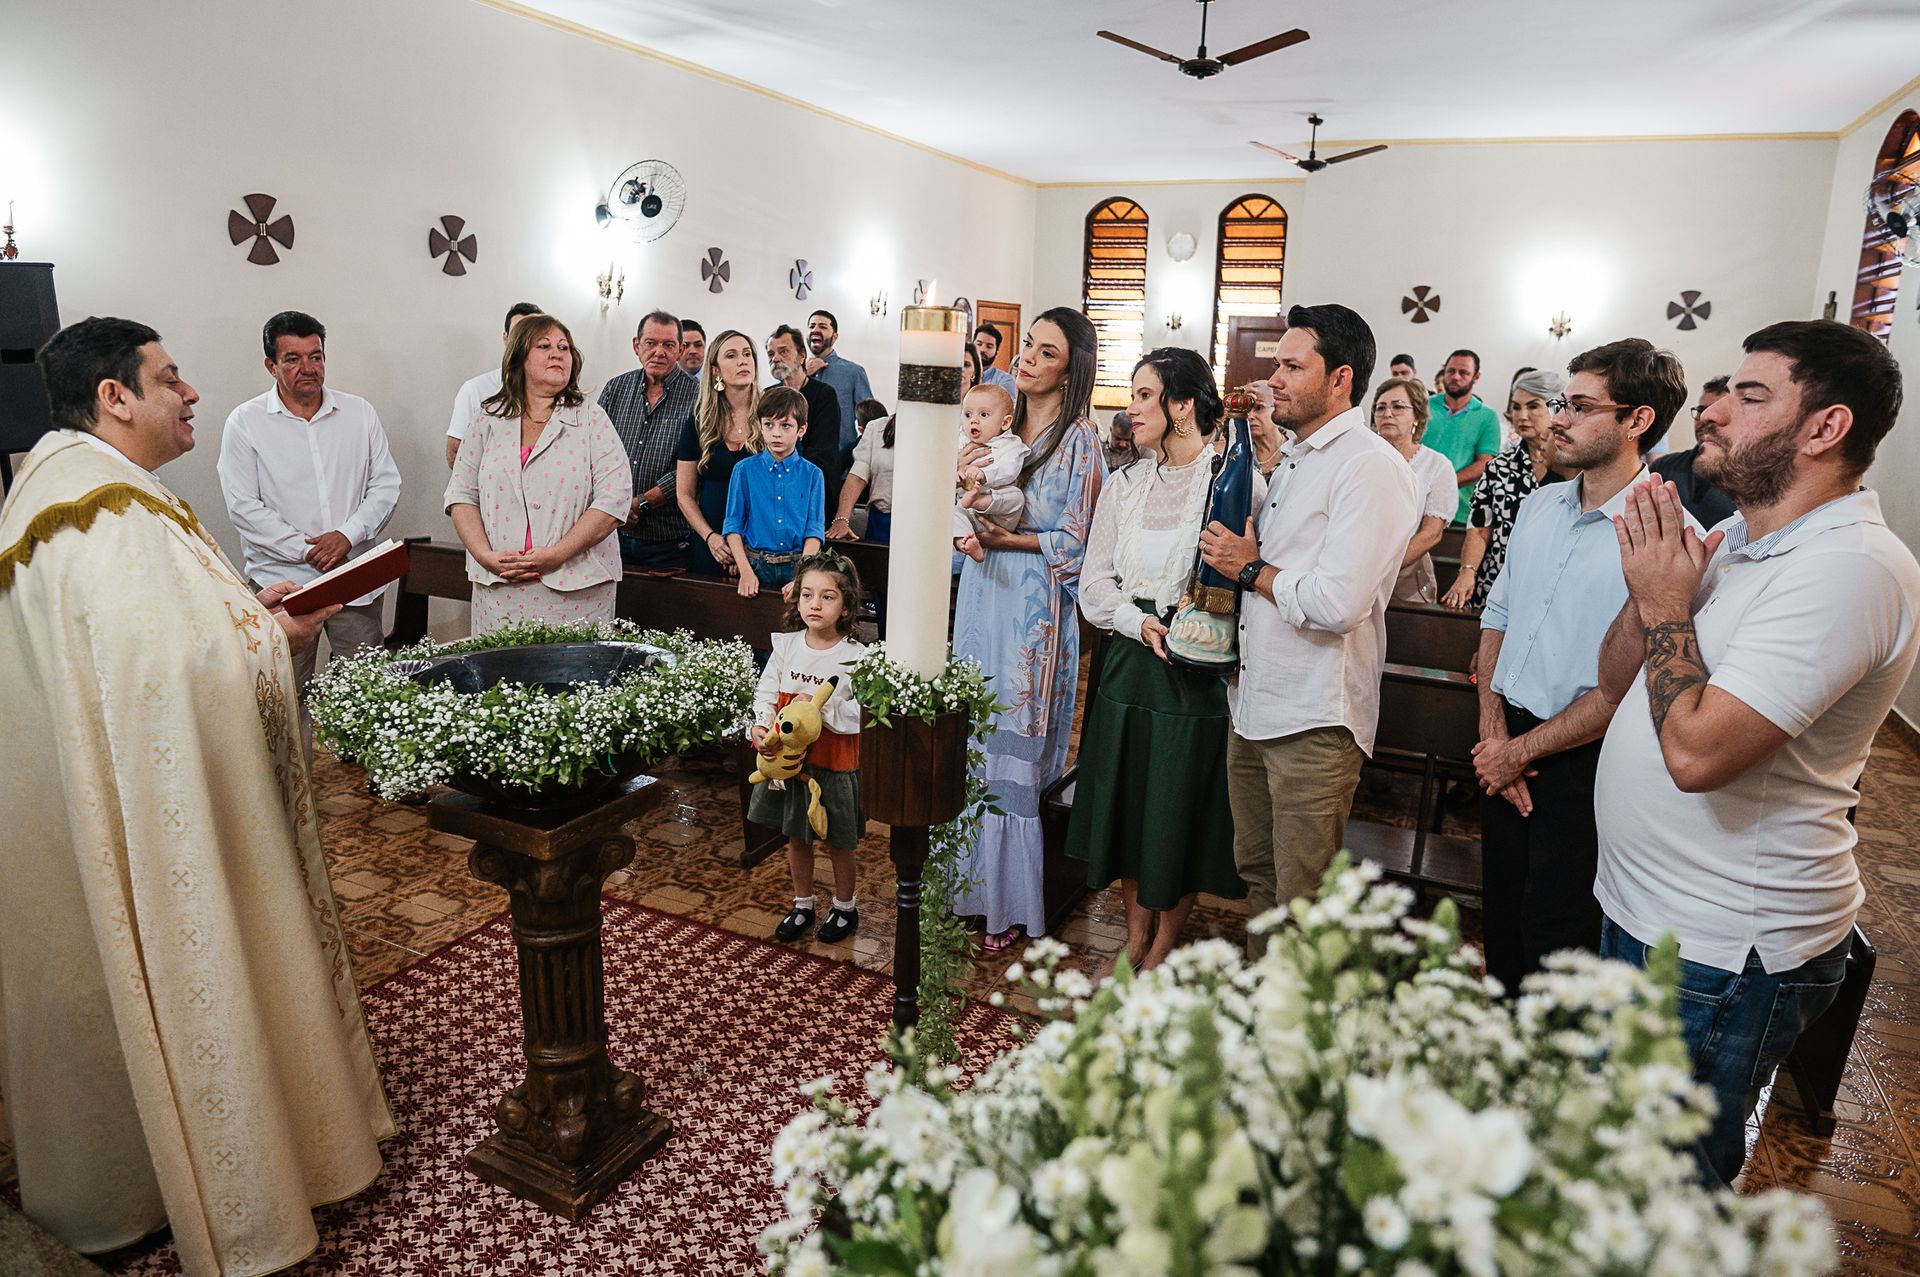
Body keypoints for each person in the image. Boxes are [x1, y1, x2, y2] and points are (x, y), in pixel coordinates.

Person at [0, 317, 393, 1275]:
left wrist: (241, 623)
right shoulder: (98, 512)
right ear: (115, 397)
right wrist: (275, 640)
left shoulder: (76, 492)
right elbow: (161, 676)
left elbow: (145, 649)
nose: (192, 394)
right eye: (171, 378)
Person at [1595, 319, 1919, 1186]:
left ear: (1824, 428)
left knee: (1660, 1184)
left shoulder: (1851, 568)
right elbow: (1620, 678)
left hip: (1720, 944)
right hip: (1651, 905)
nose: (1713, 412)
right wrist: (1647, 595)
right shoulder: (1742, 538)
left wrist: (1669, 608)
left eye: (1749, 396)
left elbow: (1699, 755)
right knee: (1615, 1155)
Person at [1472, 338, 1693, 997]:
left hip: (1583, 758)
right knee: (1503, 917)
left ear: (1638, 420)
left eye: (1581, 405)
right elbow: (1498, 617)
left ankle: (1544, 1079)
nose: (1559, 416)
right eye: (1562, 401)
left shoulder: (1661, 533)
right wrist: (1493, 731)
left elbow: (1624, 688)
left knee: (1556, 936)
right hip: (1503, 732)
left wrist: (1519, 752)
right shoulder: (1542, 504)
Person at [1198, 303, 1418, 954]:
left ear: (1341, 378)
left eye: (1293, 366)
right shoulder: (1295, 456)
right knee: (1260, 882)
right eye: (1277, 364)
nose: (1276, 380)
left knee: (1303, 899)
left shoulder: (1370, 466)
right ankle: (1268, 1011)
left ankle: (1297, 1037)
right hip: (1257, 701)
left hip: (1315, 717)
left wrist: (1251, 568)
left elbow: (1337, 602)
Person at [1068, 348, 1243, 970]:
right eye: (1133, 394)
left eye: (1145, 395)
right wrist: (1137, 623)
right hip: (1129, 662)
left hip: (1193, 673)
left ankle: (1164, 943)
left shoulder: (1227, 479)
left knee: (1176, 809)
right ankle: (1134, 936)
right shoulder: (1124, 484)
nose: (1131, 407)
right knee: (1129, 806)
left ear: (1183, 405)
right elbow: (1093, 585)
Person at [952, 307, 1105, 951]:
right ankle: (968, 889)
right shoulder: (990, 417)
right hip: (981, 592)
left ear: (1071, 369)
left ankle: (1011, 904)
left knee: (1016, 744)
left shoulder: (1081, 440)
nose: (1028, 359)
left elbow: (1076, 540)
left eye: (1046, 352)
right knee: (971, 736)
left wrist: (1007, 537)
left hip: (1034, 608)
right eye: (1028, 347)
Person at [217, 309, 401, 703]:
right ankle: (295, 769)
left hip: (354, 577)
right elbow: (243, 506)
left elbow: (386, 484)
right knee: (285, 697)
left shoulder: (359, 413)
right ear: (271, 365)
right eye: (293, 358)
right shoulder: (245, 422)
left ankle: (362, 767)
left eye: (315, 356)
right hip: (283, 582)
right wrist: (308, 549)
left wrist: (346, 536)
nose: (308, 368)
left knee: (368, 694)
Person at [446, 314, 631, 633]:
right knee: (500, 680)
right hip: (500, 586)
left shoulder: (591, 418)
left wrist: (557, 554)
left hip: (576, 587)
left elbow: (614, 499)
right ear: (518, 357)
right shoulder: (487, 418)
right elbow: (461, 494)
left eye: (564, 347)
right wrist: (484, 556)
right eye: (544, 345)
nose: (557, 353)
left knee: (572, 681)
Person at [751, 552, 869, 944]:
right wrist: (761, 724)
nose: (815, 605)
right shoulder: (786, 647)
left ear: (847, 605)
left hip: (832, 761)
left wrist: (817, 712)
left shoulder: (855, 656)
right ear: (796, 599)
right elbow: (766, 692)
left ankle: (844, 908)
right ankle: (803, 903)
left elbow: (859, 715)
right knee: (797, 836)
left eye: (827, 597)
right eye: (807, 595)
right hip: (790, 765)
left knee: (838, 840)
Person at [1441, 369, 1571, 613]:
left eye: (1533, 406)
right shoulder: (1499, 467)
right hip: (1500, 583)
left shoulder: (1575, 470)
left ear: (1557, 408)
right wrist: (1467, 572)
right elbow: (1479, 527)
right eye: (1516, 407)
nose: (1522, 416)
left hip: (1554, 590)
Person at [599, 309, 699, 571]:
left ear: (680, 350)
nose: (659, 352)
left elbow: (695, 464)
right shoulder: (615, 389)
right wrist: (616, 505)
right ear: (636, 345)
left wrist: (641, 503)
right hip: (612, 532)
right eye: (650, 343)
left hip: (668, 539)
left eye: (668, 345)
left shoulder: (699, 397)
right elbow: (595, 452)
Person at [724, 385, 825, 597]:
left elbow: (814, 530)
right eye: (769, 425)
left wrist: (802, 578)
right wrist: (745, 571)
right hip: (755, 564)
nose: (776, 433)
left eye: (786, 425)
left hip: (798, 564)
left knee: (794, 626)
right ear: (760, 426)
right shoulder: (744, 470)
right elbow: (733, 525)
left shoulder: (813, 475)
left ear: (801, 430)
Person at [675, 329, 760, 579]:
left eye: (747, 354)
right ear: (715, 370)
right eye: (731, 356)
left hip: (760, 544)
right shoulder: (699, 422)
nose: (743, 361)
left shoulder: (772, 417)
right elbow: (684, 494)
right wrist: (711, 538)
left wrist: (745, 549)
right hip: (711, 543)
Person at [1369, 376, 1458, 604]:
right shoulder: (1363, 459)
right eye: (1380, 408)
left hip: (1405, 577)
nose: (1387, 413)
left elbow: (1431, 533)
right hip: (1354, 569)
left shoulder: (1436, 465)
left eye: (1398, 407)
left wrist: (1381, 570)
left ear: (1417, 416)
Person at [446, 301, 543, 467]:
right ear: (505, 338)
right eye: (518, 334)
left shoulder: (556, 392)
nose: (525, 343)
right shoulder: (475, 390)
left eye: (534, 336)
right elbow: (454, 455)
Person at [769, 323, 845, 514]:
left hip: (811, 494)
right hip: (772, 493)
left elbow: (823, 452)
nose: (776, 358)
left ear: (802, 355)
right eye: (771, 354)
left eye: (783, 351)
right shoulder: (767, 396)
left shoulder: (824, 394)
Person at [1424, 349, 1503, 523]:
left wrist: (1444, 483)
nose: (1456, 377)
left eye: (1464, 373)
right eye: (1451, 371)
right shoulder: (1424, 406)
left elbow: (1484, 462)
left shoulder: (1487, 416)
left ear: (1476, 377)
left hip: (1459, 510)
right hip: (1416, 503)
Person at [1650, 374, 1738, 528]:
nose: (1705, 419)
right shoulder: (1664, 469)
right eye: (1701, 411)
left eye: (1716, 412)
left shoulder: (1754, 477)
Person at [953, 383, 1026, 562]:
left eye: (983, 415)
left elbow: (1011, 469)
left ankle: (978, 500)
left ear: (1005, 422)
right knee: (950, 514)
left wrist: (985, 474)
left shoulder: (1010, 444)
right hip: (968, 511)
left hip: (998, 514)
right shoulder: (959, 440)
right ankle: (965, 543)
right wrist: (954, 473)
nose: (974, 421)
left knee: (1016, 497)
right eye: (968, 414)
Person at [804, 309, 873, 458]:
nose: (815, 330)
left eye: (822, 326)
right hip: (801, 463)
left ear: (835, 337)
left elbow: (871, 422)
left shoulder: (854, 372)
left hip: (839, 463)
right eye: (811, 326)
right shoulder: (796, 375)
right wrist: (804, 374)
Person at [832, 402, 895, 543]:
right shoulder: (876, 428)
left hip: (923, 521)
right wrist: (842, 518)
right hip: (882, 521)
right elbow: (857, 476)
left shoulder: (941, 431)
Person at [974, 322, 1018, 394]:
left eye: (989, 346)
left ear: (996, 353)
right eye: (979, 344)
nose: (982, 349)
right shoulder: (962, 374)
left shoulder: (1005, 381)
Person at [1104, 407, 1140, 471]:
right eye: (1118, 439)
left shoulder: (1141, 450)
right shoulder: (1100, 447)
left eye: (1127, 440)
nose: (1122, 444)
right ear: (1111, 430)